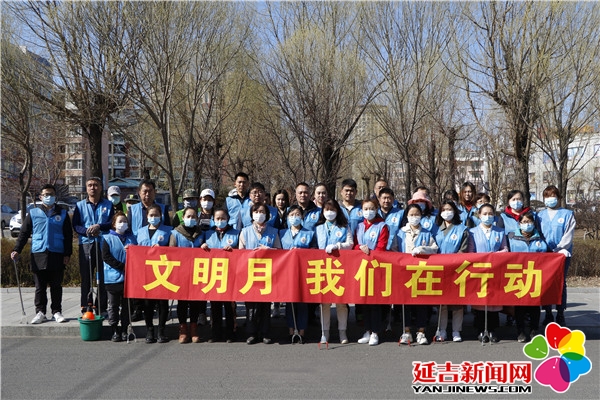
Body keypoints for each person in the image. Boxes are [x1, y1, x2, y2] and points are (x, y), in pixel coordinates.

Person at [11, 184, 73, 324]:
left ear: (55, 196)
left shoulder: (62, 213)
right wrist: (16, 250)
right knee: (40, 287)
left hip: (57, 252)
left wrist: (67, 254)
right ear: (40, 197)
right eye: (46, 194)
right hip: (38, 253)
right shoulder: (33, 213)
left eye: (51, 194)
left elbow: (68, 236)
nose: (49, 197)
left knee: (56, 285)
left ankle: (56, 311)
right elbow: (24, 234)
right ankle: (40, 312)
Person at [393, 204, 439, 345]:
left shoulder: (426, 233)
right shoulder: (400, 232)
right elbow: (394, 250)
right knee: (405, 303)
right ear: (407, 216)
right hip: (404, 272)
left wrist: (423, 249)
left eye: (417, 214)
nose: (414, 217)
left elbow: (435, 249)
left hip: (421, 272)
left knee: (422, 303)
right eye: (411, 214)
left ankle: (421, 331)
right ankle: (406, 331)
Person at [127, 179, 170, 322]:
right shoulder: (132, 209)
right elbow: (128, 231)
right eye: (144, 191)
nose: (147, 194)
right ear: (139, 193)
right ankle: (138, 309)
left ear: (155, 192)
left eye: (150, 191)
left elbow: (169, 231)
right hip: (139, 253)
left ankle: (159, 308)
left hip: (159, 254)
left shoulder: (163, 208)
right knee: (139, 282)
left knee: (158, 280)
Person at [239, 202, 282, 344]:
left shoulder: (273, 231)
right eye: (256, 211)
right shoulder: (245, 231)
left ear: (267, 215)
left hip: (268, 274)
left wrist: (269, 251)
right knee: (251, 306)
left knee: (265, 305)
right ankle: (251, 333)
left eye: (262, 212)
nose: (259, 214)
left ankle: (265, 333)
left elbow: (280, 252)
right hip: (250, 273)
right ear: (251, 214)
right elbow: (240, 254)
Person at [467, 203, 509, 343]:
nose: (488, 216)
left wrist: (495, 255)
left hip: (496, 270)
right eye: (484, 214)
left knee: (494, 301)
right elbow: (470, 252)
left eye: (490, 214)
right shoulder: (472, 232)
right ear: (479, 215)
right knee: (480, 302)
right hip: (479, 271)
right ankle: (480, 330)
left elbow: (505, 249)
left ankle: (492, 330)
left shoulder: (500, 231)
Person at [72, 177, 114, 315]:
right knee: (86, 277)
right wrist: (87, 231)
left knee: (102, 276)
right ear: (86, 188)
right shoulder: (80, 205)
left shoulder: (108, 204)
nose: (92, 188)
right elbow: (76, 225)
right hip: (86, 244)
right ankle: (86, 306)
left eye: (96, 185)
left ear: (101, 188)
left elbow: (111, 222)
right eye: (90, 185)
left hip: (103, 244)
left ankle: (100, 306)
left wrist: (99, 226)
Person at [314, 199, 353, 344]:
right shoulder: (318, 228)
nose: (329, 213)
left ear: (337, 211)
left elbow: (350, 244)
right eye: (327, 210)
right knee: (324, 302)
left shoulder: (344, 227)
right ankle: (325, 333)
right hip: (322, 268)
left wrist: (338, 246)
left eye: (333, 210)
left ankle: (343, 331)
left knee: (341, 302)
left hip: (340, 267)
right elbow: (313, 246)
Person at [536, 185, 576, 327]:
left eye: (553, 196)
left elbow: (569, 234)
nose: (550, 199)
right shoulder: (539, 215)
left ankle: (560, 313)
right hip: (545, 254)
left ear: (558, 198)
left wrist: (558, 248)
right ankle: (548, 313)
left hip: (562, 254)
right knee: (545, 282)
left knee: (560, 283)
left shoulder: (567, 214)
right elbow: (537, 233)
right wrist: (545, 248)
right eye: (547, 196)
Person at [507, 211, 547, 342]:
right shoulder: (511, 237)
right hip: (518, 275)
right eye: (524, 222)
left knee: (535, 305)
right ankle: (521, 331)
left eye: (529, 222)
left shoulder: (540, 236)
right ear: (519, 223)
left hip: (535, 275)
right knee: (520, 305)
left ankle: (534, 330)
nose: (527, 224)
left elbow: (547, 254)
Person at [354, 198, 389, 346]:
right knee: (364, 301)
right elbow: (354, 245)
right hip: (362, 267)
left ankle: (375, 332)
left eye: (372, 208)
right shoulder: (359, 226)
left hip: (376, 266)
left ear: (376, 210)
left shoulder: (382, 226)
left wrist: (370, 252)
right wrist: (359, 248)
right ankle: (367, 330)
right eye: (366, 209)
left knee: (375, 302)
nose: (369, 211)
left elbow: (382, 247)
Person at [279, 205, 316, 343]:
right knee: (290, 302)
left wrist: (302, 253)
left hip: (303, 272)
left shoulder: (309, 233)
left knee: (302, 302)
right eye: (292, 215)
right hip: (287, 272)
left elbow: (314, 251)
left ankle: (301, 331)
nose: (295, 217)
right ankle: (291, 331)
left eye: (297, 214)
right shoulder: (282, 233)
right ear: (287, 217)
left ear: (302, 217)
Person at [201, 208, 240, 343]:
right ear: (213, 219)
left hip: (230, 273)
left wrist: (234, 250)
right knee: (215, 305)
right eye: (217, 218)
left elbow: (242, 251)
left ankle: (231, 333)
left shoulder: (236, 233)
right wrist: (203, 246)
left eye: (223, 218)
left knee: (229, 306)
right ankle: (215, 333)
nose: (220, 221)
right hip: (214, 274)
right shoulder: (208, 234)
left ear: (228, 219)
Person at [136, 204, 173, 343]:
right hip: (146, 272)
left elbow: (174, 249)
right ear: (147, 216)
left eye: (156, 215)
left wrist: (163, 249)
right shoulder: (140, 232)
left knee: (163, 303)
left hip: (162, 271)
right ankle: (150, 330)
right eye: (151, 215)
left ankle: (161, 331)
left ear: (161, 216)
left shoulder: (168, 231)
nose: (153, 217)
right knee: (148, 303)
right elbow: (135, 248)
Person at [434, 200, 468, 342]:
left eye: (450, 209)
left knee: (457, 301)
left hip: (457, 269)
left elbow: (464, 249)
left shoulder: (462, 229)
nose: (446, 212)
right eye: (444, 210)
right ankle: (441, 330)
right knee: (442, 302)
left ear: (455, 211)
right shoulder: (435, 229)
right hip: (439, 269)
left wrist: (453, 262)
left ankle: (456, 330)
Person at [169, 207, 204, 343]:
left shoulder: (201, 233)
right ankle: (183, 328)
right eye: (188, 216)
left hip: (197, 273)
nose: (191, 219)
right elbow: (171, 253)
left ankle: (194, 328)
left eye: (193, 216)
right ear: (183, 218)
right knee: (182, 302)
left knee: (195, 302)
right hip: (181, 273)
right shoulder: (175, 233)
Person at [101, 212, 136, 342]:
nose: (123, 224)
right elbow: (106, 257)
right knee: (113, 305)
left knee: (127, 306)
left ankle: (125, 328)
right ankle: (115, 329)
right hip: (112, 277)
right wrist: (122, 266)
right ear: (114, 224)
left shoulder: (132, 238)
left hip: (129, 277)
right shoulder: (107, 238)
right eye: (120, 221)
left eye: (125, 221)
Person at [270, 189, 290, 318]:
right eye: (278, 199)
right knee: (275, 276)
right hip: (275, 244)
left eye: (283, 199)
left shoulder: (290, 211)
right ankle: (276, 305)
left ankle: (287, 305)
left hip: (287, 244)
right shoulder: (271, 212)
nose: (281, 202)